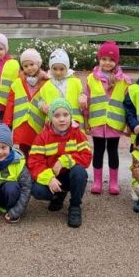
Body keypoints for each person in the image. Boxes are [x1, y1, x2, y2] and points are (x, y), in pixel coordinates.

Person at [28, 98, 91, 228]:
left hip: (69, 175)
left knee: (80, 172)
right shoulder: (42, 137)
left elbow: (86, 156)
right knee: (37, 190)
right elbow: (35, 163)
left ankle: (75, 207)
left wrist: (64, 161)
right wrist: (49, 178)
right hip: (53, 176)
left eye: (65, 115)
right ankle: (58, 195)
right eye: (57, 115)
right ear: (51, 118)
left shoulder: (78, 134)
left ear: (70, 116)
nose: (62, 119)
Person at [81, 41, 131, 195]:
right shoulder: (91, 78)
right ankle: (97, 181)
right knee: (98, 151)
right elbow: (87, 102)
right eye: (104, 59)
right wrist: (86, 121)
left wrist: (128, 124)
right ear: (99, 59)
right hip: (97, 122)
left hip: (115, 123)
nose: (107, 63)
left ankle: (113, 182)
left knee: (113, 151)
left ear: (116, 61)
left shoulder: (124, 80)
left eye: (111, 60)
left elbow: (128, 104)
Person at [2, 48, 50, 157]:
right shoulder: (17, 82)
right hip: (22, 124)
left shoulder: (46, 82)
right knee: (23, 152)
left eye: (32, 64)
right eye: (25, 66)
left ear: (38, 63)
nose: (29, 68)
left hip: (37, 125)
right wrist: (7, 123)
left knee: (37, 152)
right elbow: (10, 103)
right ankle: (24, 167)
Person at [33, 49, 83, 130]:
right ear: (50, 68)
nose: (58, 72)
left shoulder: (76, 82)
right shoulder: (46, 85)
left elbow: (82, 95)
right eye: (55, 69)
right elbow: (40, 101)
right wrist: (43, 106)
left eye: (61, 69)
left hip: (74, 124)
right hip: (54, 126)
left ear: (67, 68)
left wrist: (83, 98)